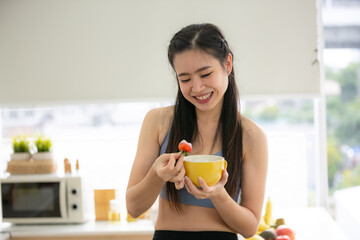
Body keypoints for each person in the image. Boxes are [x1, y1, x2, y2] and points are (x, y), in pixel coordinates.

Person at [126, 23, 268, 240]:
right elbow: (134, 208)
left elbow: (249, 227)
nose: (197, 88)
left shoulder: (251, 136)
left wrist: (218, 195)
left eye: (206, 74)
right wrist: (157, 174)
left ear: (227, 64)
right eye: (185, 79)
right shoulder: (158, 121)